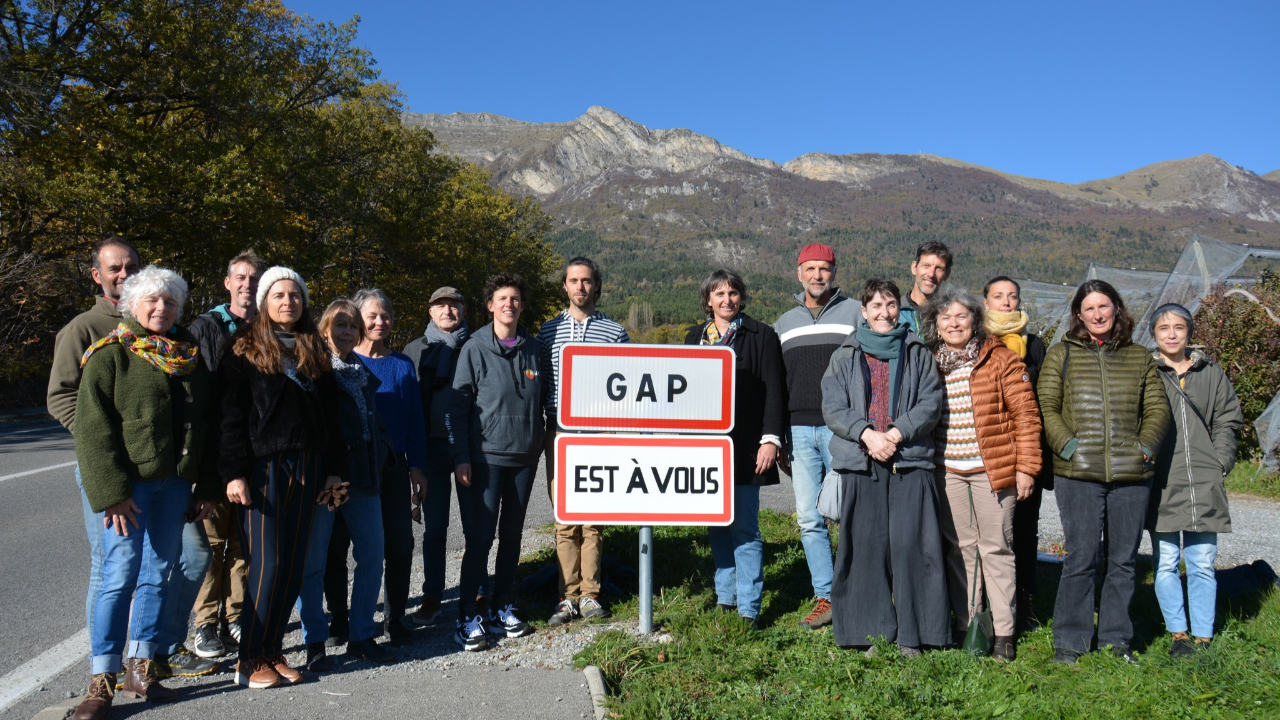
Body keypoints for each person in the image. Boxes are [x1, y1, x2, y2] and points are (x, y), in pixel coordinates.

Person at [71, 266, 219, 720]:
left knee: (159, 573)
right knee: (119, 576)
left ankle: (142, 667)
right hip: (128, 489)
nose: (162, 308)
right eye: (152, 300)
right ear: (131, 305)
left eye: (170, 302)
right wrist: (112, 492)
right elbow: (93, 433)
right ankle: (102, 680)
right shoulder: (111, 355)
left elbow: (207, 427)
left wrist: (206, 485)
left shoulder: (187, 357)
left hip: (174, 486)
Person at [218, 266, 347, 688]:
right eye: (279, 295)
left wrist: (333, 471)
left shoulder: (315, 349)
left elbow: (332, 417)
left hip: (309, 465)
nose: (288, 301)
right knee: (268, 564)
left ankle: (272, 650)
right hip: (262, 469)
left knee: (293, 566)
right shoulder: (242, 349)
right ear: (264, 303)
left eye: (295, 295)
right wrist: (234, 472)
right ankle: (248, 657)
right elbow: (231, 417)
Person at [1038, 280, 1170, 664]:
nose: (1098, 314)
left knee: (1123, 560)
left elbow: (1158, 410)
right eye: (1089, 308)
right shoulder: (1061, 354)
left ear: (1117, 309)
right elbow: (1046, 404)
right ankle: (1070, 642)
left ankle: (1116, 641)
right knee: (1080, 557)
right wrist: (1067, 445)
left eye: (1104, 306)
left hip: (1131, 475)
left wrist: (1145, 448)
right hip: (1077, 473)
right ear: (1079, 314)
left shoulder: (1139, 356)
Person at [822, 278, 948, 657]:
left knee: (914, 546)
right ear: (863, 312)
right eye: (875, 306)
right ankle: (869, 632)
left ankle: (917, 633)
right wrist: (867, 435)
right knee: (865, 548)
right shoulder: (844, 355)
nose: (884, 312)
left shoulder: (917, 352)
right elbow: (833, 406)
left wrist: (896, 433)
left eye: (890, 304)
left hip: (910, 461)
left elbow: (930, 401)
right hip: (861, 463)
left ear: (899, 308)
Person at [921, 284, 1042, 661]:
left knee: (996, 548)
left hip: (994, 469)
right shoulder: (929, 363)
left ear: (976, 320)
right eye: (946, 317)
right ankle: (969, 623)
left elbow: (1026, 415)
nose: (954, 323)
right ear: (936, 324)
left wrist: (1027, 468)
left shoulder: (1001, 359)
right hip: (948, 471)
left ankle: (1004, 631)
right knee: (960, 549)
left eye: (962, 316)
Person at [47, 238, 140, 660]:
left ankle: (148, 655)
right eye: (115, 268)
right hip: (105, 467)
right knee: (111, 567)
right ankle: (104, 665)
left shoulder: (154, 321)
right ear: (96, 275)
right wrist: (95, 439)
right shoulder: (83, 329)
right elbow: (61, 396)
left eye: (131, 267)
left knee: (157, 566)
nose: (124, 274)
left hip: (153, 469)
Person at [683, 269, 787, 630]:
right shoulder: (694, 338)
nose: (727, 300)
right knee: (716, 525)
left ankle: (749, 608)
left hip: (746, 447)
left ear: (741, 297)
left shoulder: (762, 335)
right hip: (705, 450)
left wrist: (770, 439)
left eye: (733, 293)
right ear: (708, 300)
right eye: (719, 294)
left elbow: (776, 390)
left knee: (745, 527)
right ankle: (725, 598)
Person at [297, 299, 396, 671]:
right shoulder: (313, 368)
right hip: (327, 478)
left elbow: (373, 422)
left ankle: (361, 635)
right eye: (340, 325)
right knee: (315, 561)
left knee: (372, 556)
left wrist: (385, 453)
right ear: (324, 328)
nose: (347, 332)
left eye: (353, 326)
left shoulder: (361, 370)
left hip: (364, 477)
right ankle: (315, 642)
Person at [448, 272, 545, 651]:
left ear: (521, 305)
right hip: (485, 459)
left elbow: (546, 401)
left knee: (513, 537)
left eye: (515, 298)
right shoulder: (473, 348)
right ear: (490, 305)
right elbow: (457, 408)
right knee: (480, 538)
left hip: (524, 458)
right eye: (502, 298)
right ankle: (467, 615)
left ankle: (503, 605)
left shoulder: (534, 348)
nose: (509, 303)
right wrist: (461, 457)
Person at [182, 250, 265, 662]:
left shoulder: (269, 328)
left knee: (243, 543)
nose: (247, 284)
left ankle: (236, 616)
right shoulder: (207, 327)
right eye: (241, 277)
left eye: (254, 278)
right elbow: (199, 394)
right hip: (216, 454)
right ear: (228, 283)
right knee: (213, 543)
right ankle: (205, 624)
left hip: (256, 452)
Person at [333, 288, 428, 646]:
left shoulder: (402, 364)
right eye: (372, 315)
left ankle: (395, 617)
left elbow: (414, 419)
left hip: (391, 467)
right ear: (357, 319)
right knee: (339, 547)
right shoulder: (343, 360)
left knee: (400, 544)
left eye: (385, 315)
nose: (379, 322)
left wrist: (417, 467)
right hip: (349, 468)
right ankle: (341, 620)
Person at [538, 257, 630, 626]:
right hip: (558, 430)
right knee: (564, 517)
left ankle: (590, 594)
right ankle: (567, 596)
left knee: (592, 520)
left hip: (598, 433)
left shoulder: (615, 332)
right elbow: (541, 383)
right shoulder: (547, 332)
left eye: (587, 281)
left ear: (596, 286)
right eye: (573, 281)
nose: (580, 287)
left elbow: (627, 387)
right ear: (565, 286)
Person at [1147, 303, 1243, 657]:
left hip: (1205, 481)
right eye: (1163, 328)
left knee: (1203, 561)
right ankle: (1178, 634)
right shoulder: (1148, 372)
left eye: (1178, 328)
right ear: (1154, 334)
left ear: (1189, 332)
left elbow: (1228, 421)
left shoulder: (1211, 373)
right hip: (1163, 481)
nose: (1172, 334)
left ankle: (1203, 634)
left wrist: (1220, 462)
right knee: (1166, 561)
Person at [773, 243, 859, 630]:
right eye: (810, 268)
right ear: (799, 273)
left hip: (844, 429)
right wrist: (776, 435)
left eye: (824, 268)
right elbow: (777, 383)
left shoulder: (856, 312)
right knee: (809, 517)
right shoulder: (784, 322)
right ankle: (827, 596)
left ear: (834, 272)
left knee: (851, 513)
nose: (817, 275)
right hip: (798, 430)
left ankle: (857, 589)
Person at [982, 276, 1054, 629]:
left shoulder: (1035, 345)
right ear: (986, 303)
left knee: (1025, 528)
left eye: (1012, 296)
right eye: (999, 296)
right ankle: (984, 601)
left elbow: (1041, 401)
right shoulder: (977, 341)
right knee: (989, 529)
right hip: (988, 448)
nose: (1007, 302)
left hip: (1025, 447)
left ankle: (1023, 597)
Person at [404, 287, 477, 628]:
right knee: (435, 528)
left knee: (474, 524)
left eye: (454, 305)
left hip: (468, 449)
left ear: (463, 310)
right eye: (441, 305)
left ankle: (477, 589)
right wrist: (411, 460)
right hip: (430, 449)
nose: (448, 310)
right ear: (430, 312)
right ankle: (432, 595)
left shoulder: (476, 346)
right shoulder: (414, 351)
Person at [897, 241, 952, 335]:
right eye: (926, 266)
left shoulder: (950, 318)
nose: (931, 274)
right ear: (914, 268)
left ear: (947, 274)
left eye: (939, 268)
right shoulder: (895, 313)